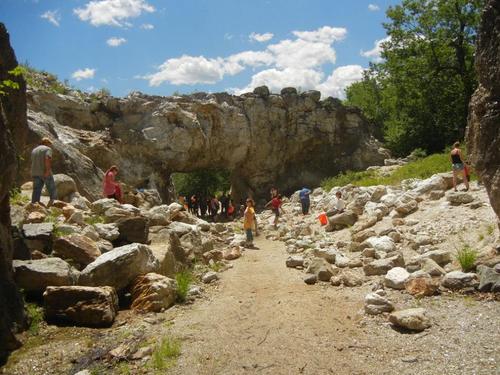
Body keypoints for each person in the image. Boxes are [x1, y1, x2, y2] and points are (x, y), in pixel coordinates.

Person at [31, 137, 57, 206]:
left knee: (36, 190)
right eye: (49, 144)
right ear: (46, 143)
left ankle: (34, 205)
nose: (50, 145)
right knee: (52, 188)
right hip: (44, 172)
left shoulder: (34, 150)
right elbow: (47, 159)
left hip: (35, 172)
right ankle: (54, 205)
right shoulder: (48, 149)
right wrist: (47, 171)